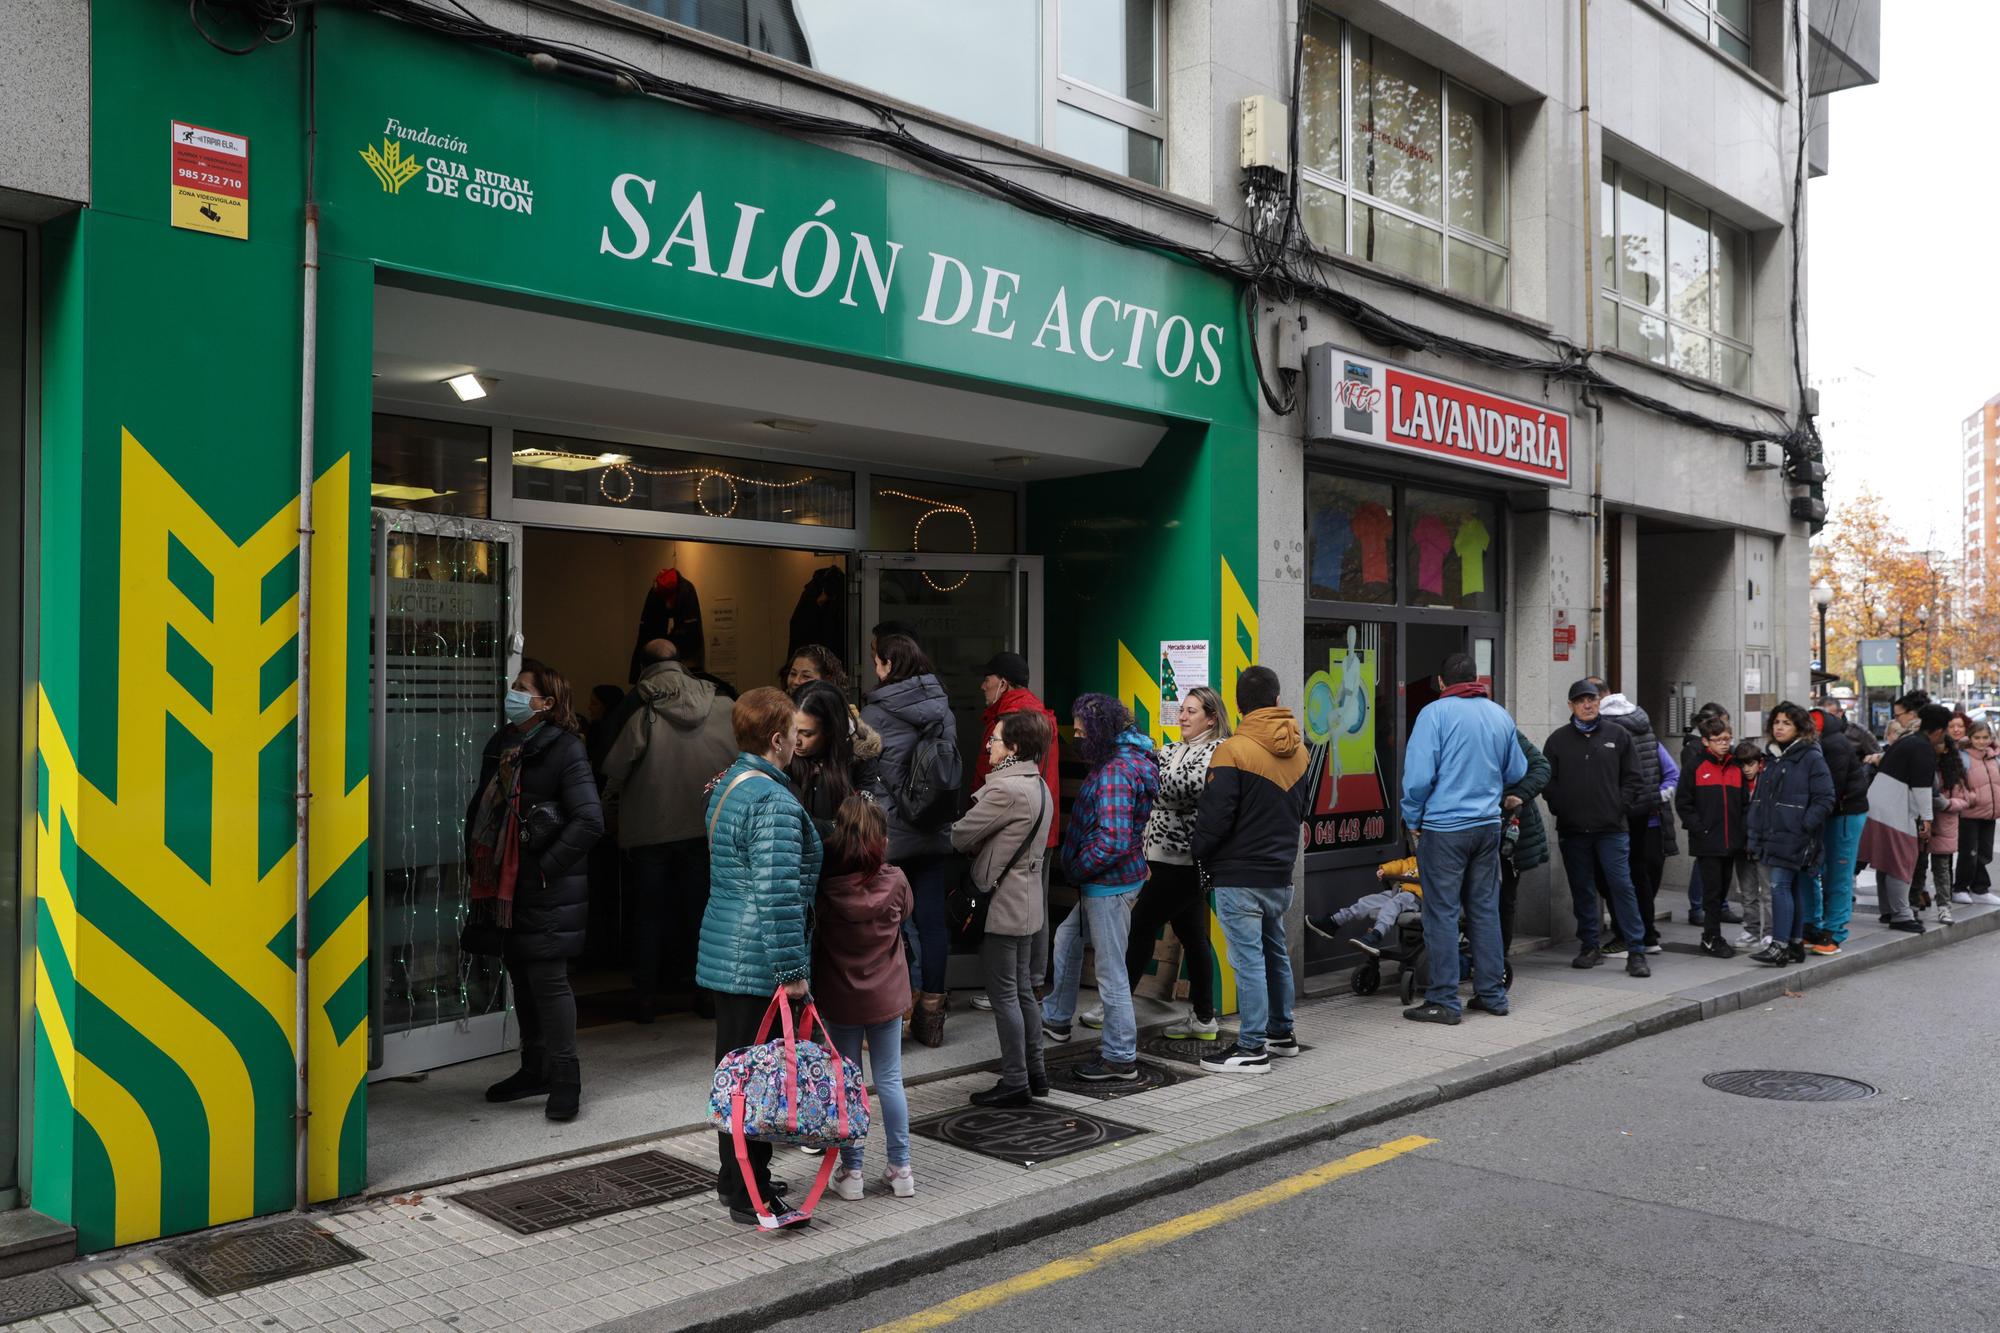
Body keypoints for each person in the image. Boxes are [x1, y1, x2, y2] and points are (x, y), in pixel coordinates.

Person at [700, 687, 823, 1225]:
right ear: (777, 739)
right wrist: (793, 972)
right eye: (795, 733)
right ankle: (751, 1194)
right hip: (758, 958)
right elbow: (777, 893)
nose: (801, 741)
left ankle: (737, 1178)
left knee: (739, 1073)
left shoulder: (730, 784)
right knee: (761, 1080)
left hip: (728, 948)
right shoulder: (772, 800)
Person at [468, 660, 604, 1122]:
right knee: (523, 980)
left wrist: (544, 869)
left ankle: (567, 1079)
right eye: (514, 686)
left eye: (523, 689)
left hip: (545, 887)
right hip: (508, 887)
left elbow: (590, 821)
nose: (513, 693)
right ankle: (535, 1068)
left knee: (548, 982)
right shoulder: (502, 743)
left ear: (546, 704)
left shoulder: (565, 749)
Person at [601, 639, 740, 1022]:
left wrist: (609, 810)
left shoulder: (640, 709)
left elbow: (615, 768)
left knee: (648, 915)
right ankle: (707, 995)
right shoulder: (724, 704)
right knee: (703, 914)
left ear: (642, 667)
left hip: (651, 833)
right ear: (681, 663)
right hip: (705, 828)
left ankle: (646, 998)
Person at [1388, 653, 1525, 1024]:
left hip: (1445, 828)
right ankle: (1492, 995)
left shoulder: (1435, 714)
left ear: (1441, 682)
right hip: (1487, 827)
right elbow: (1518, 769)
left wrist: (1413, 817)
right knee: (1484, 911)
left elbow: (1417, 778)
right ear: (1476, 680)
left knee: (1442, 913)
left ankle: (1444, 1001)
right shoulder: (1499, 714)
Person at [1193, 666, 1312, 1073]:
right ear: (1277, 701)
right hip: (1280, 873)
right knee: (1273, 952)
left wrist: (1199, 853)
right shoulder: (1301, 750)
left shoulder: (1233, 749)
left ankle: (1251, 1047)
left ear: (1240, 706)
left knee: (1248, 961)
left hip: (1238, 875)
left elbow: (1215, 818)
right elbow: (1303, 810)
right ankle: (1282, 1033)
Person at [1041, 695, 1157, 1081]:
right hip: (1110, 881)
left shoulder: (1114, 772)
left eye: (1080, 729)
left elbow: (1113, 839)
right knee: (1067, 938)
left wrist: (1077, 867)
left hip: (1106, 884)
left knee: (1110, 973)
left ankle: (1120, 1056)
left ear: (1101, 729)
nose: (1075, 736)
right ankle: (1057, 1017)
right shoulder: (1125, 761)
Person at [811, 797, 917, 1202]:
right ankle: (901, 1169)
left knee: (847, 1082)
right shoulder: (897, 882)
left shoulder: (827, 889)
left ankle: (852, 1172)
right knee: (889, 1079)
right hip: (887, 994)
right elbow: (906, 913)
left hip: (841, 999)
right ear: (882, 840)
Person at [952, 709, 1057, 1105]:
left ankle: (1014, 1079)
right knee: (1025, 992)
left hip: (1001, 907)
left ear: (1013, 747)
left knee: (1005, 996)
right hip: (1028, 905)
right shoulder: (1040, 787)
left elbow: (962, 835)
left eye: (994, 740)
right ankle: (1036, 1073)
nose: (989, 745)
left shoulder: (1006, 790)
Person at [861, 633, 959, 1046]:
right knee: (933, 922)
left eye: (877, 662)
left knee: (895, 924)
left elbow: (867, 769)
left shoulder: (876, 711)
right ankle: (932, 1015)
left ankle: (900, 1012)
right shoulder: (943, 708)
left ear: (886, 664)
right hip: (933, 827)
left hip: (892, 833)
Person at [1121, 686, 1229, 1040]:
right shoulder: (1174, 749)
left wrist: (1154, 776)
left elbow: (1180, 787)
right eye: (1182, 710)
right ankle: (1203, 1018)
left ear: (1211, 718)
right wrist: (1155, 774)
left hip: (1184, 860)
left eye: (1191, 711)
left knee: (1141, 923)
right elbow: (1155, 778)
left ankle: (1116, 1007)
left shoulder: (1217, 751)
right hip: (1160, 856)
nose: (1182, 717)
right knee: (1193, 936)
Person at [969, 651, 1064, 1010]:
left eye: (988, 679)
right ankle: (1031, 984)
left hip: (1013, 827)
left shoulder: (1010, 722)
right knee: (1032, 904)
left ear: (1003, 683)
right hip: (1042, 825)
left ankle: (1014, 988)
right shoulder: (1037, 714)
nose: (982, 685)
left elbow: (995, 779)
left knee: (1011, 907)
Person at [1542, 679, 1650, 976]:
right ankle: (1589, 946)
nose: (1587, 705)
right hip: (1573, 830)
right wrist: (1561, 806)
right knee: (1583, 890)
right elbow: (1548, 782)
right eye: (1581, 701)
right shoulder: (1557, 741)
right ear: (1571, 706)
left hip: (1612, 829)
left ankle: (1636, 951)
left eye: (1591, 699)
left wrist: (1619, 806)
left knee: (1622, 887)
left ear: (1599, 702)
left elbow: (1634, 778)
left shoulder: (1618, 735)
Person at [1745, 702, 1835, 966]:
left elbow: (1825, 798)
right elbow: (1762, 799)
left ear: (1799, 727)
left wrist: (1803, 825)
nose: (1780, 727)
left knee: (1779, 885)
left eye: (1786, 722)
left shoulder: (1810, 756)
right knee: (1790, 886)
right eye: (1776, 722)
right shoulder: (1772, 757)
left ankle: (1779, 945)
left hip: (1794, 835)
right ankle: (1794, 944)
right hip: (1774, 833)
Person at [1861, 702, 1952, 933]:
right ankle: (1901, 914)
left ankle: (1889, 910)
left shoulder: (1906, 740)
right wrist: (1927, 819)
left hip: (1878, 804)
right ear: (1940, 730)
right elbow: (1922, 789)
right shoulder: (1923, 748)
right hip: (1896, 809)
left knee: (1885, 862)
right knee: (1901, 862)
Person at [1599, 693, 1677, 955]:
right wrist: (1656, 797)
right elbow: (1671, 773)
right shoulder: (1648, 734)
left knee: (1620, 879)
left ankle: (1630, 935)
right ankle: (1648, 935)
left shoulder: (1613, 736)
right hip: (1648, 816)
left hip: (1622, 816)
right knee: (1641, 877)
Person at [1674, 714, 1746, 958]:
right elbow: (1683, 803)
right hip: (1707, 841)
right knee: (1712, 894)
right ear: (1706, 741)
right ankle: (1711, 936)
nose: (1724, 743)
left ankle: (1713, 935)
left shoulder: (1736, 766)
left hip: (1731, 841)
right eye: (1718, 739)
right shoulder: (1695, 766)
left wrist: (1741, 831)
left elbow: (1744, 803)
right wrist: (1700, 828)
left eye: (1727, 738)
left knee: (1723, 890)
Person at [1810, 705, 1871, 954]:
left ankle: (1834, 932)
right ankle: (1817, 925)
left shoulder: (1832, 744)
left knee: (1838, 873)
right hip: (1831, 813)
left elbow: (1831, 788)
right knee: (1819, 871)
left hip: (1843, 814)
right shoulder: (1818, 742)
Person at [789, 679, 882, 842]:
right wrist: (833, 827)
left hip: (843, 862)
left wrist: (811, 826)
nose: (796, 740)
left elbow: (863, 825)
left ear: (830, 730)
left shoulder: (859, 757)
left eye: (807, 733)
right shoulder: (781, 755)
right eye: (792, 729)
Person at [1308, 843, 1421, 954]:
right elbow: (1400, 865)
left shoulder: (1436, 866)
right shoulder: (1415, 860)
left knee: (1393, 904)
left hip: (1415, 898)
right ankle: (1334, 921)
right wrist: (1385, 869)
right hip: (1397, 892)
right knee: (1367, 901)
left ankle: (1376, 934)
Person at [1500, 730, 1553, 954]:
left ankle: (1498, 962)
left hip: (1507, 830)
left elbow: (1541, 766)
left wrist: (1520, 794)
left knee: (1504, 899)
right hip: (1477, 826)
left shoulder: (1504, 729)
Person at [1731, 740, 1776, 950]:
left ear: (1759, 763)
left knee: (1767, 892)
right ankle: (1751, 929)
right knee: (1748, 892)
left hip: (1763, 843)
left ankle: (1769, 932)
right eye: (1742, 765)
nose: (1747, 769)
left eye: (1750, 764)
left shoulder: (1768, 781)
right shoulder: (1736, 783)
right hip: (1742, 844)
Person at [1954, 719, 2000, 905]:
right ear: (1970, 737)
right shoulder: (1963, 757)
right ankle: (1961, 887)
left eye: (1985, 737)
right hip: (1969, 814)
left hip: (1990, 813)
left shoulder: (1994, 757)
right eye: (1977, 737)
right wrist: (1971, 798)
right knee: (1969, 853)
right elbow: (1957, 784)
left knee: (1984, 853)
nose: (1982, 741)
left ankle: (1979, 888)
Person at [1926, 739, 1970, 927]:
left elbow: (1966, 799)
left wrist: (1947, 804)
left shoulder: (1954, 772)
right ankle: (1913, 903)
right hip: (1924, 821)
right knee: (1917, 868)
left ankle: (1944, 906)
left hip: (1944, 824)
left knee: (1942, 869)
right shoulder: (1922, 765)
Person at [784, 644, 848, 694]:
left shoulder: (842, 710)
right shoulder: (780, 709)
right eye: (793, 674)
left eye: (806, 676)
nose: (795, 681)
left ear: (827, 681)